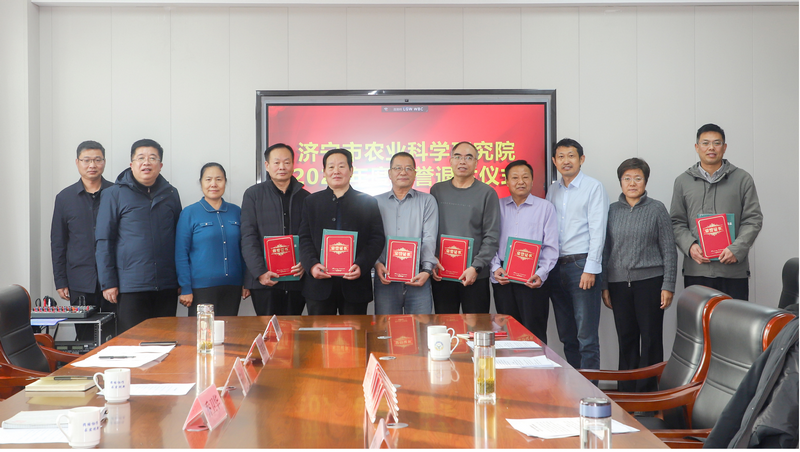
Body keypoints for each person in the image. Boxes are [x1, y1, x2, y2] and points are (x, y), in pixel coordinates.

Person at [601, 158, 677, 392]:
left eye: (637, 178)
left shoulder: (657, 209)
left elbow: (669, 249)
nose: (632, 183)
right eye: (627, 178)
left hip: (650, 283)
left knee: (651, 339)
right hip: (618, 285)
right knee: (626, 339)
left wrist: (668, 285)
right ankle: (627, 394)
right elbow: (604, 250)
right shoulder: (611, 211)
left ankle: (648, 395)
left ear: (645, 181)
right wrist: (604, 285)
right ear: (620, 182)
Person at [95, 139, 182, 333]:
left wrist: (180, 280)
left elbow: (179, 238)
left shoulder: (171, 194)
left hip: (166, 284)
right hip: (130, 285)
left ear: (160, 165)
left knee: (165, 340)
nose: (146, 163)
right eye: (141, 158)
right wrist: (108, 283)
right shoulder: (113, 194)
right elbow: (104, 241)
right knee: (133, 342)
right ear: (131, 164)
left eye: (152, 158)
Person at [670, 123, 763, 300]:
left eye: (717, 143)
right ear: (697, 147)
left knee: (734, 318)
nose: (711, 148)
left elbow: (753, 219)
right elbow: (676, 221)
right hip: (697, 270)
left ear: (724, 147)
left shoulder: (742, 179)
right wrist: (690, 246)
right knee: (698, 319)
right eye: (705, 143)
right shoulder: (683, 181)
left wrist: (736, 249)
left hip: (733, 272)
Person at [545, 138, 608, 371]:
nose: (566, 161)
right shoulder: (553, 190)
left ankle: (591, 389)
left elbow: (598, 230)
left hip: (581, 266)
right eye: (561, 157)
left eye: (571, 156)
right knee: (567, 335)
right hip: (555, 268)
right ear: (554, 161)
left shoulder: (593, 187)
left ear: (581, 159)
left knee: (586, 337)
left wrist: (591, 268)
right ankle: (574, 386)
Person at [298, 148, 385, 315]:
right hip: (319, 285)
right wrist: (312, 265)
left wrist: (361, 265)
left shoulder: (368, 202)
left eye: (341, 166)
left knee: (355, 332)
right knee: (319, 331)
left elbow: (376, 239)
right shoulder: (311, 202)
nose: (336, 171)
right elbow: (305, 238)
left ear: (351, 170)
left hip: (355, 284)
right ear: (324, 172)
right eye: (331, 167)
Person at [50, 140, 116, 341]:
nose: (92, 165)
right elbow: (58, 242)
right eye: (86, 160)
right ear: (77, 162)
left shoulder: (117, 193)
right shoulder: (65, 198)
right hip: (79, 281)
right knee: (85, 338)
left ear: (104, 162)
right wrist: (61, 280)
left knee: (114, 335)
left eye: (97, 160)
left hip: (113, 279)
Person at [490, 160, 558, 343]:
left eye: (525, 177)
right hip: (503, 276)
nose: (520, 181)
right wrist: (495, 267)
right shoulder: (496, 207)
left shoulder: (545, 207)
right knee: (507, 332)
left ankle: (537, 363)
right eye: (515, 177)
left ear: (532, 180)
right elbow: (489, 241)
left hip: (533, 277)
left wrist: (541, 273)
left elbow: (551, 246)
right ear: (506, 181)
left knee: (534, 332)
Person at [430, 141, 500, 314]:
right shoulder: (437, 191)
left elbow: (491, 236)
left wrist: (476, 267)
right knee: (445, 325)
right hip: (442, 273)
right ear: (450, 161)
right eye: (458, 157)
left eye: (469, 157)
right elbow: (430, 231)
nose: (462, 161)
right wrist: (431, 259)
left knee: (476, 327)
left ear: (476, 163)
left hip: (475, 275)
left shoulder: (487, 193)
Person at [241, 143, 309, 316]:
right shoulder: (253, 195)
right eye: (276, 162)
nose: (282, 167)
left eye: (286, 162)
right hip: (264, 280)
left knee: (293, 328)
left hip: (297, 280)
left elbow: (309, 237)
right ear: (267, 165)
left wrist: (305, 263)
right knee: (268, 329)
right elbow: (248, 236)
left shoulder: (306, 197)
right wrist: (260, 272)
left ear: (293, 164)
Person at [175, 163, 249, 316]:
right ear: (201, 182)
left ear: (225, 182)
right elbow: (181, 253)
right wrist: (186, 287)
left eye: (219, 179)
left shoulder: (236, 211)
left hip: (233, 286)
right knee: (203, 330)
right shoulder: (189, 213)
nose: (213, 184)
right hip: (201, 288)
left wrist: (246, 282)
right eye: (208, 179)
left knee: (230, 329)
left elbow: (245, 249)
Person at [373, 152, 439, 315]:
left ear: (415, 174)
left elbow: (430, 238)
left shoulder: (427, 201)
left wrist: (427, 270)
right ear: (390, 173)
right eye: (398, 168)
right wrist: (376, 264)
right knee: (386, 327)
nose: (403, 172)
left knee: (420, 327)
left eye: (408, 168)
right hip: (385, 276)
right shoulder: (375, 202)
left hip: (418, 277)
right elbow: (370, 239)